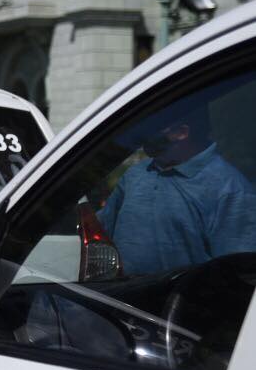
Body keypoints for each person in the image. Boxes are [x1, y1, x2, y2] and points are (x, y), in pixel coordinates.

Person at [98, 103, 256, 275]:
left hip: (183, 300)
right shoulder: (136, 174)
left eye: (154, 126)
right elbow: (100, 230)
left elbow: (237, 274)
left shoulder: (230, 190)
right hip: (115, 298)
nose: (145, 134)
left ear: (181, 132)